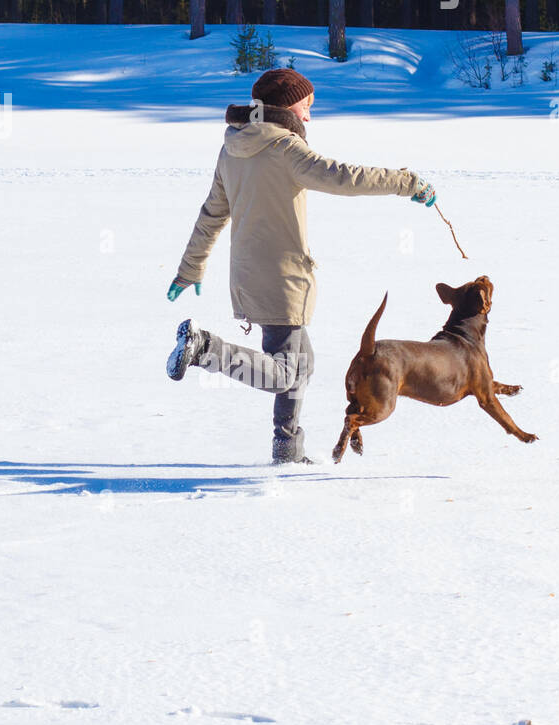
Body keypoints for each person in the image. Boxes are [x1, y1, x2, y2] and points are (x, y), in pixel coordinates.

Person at [165, 67, 435, 464]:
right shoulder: (286, 149)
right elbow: (345, 178)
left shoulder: (232, 148)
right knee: (287, 373)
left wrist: (190, 268)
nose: (308, 117)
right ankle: (207, 349)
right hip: (282, 279)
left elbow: (212, 214)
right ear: (285, 106)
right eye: (305, 106)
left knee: (301, 365)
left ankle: (287, 450)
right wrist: (406, 182)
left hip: (247, 276)